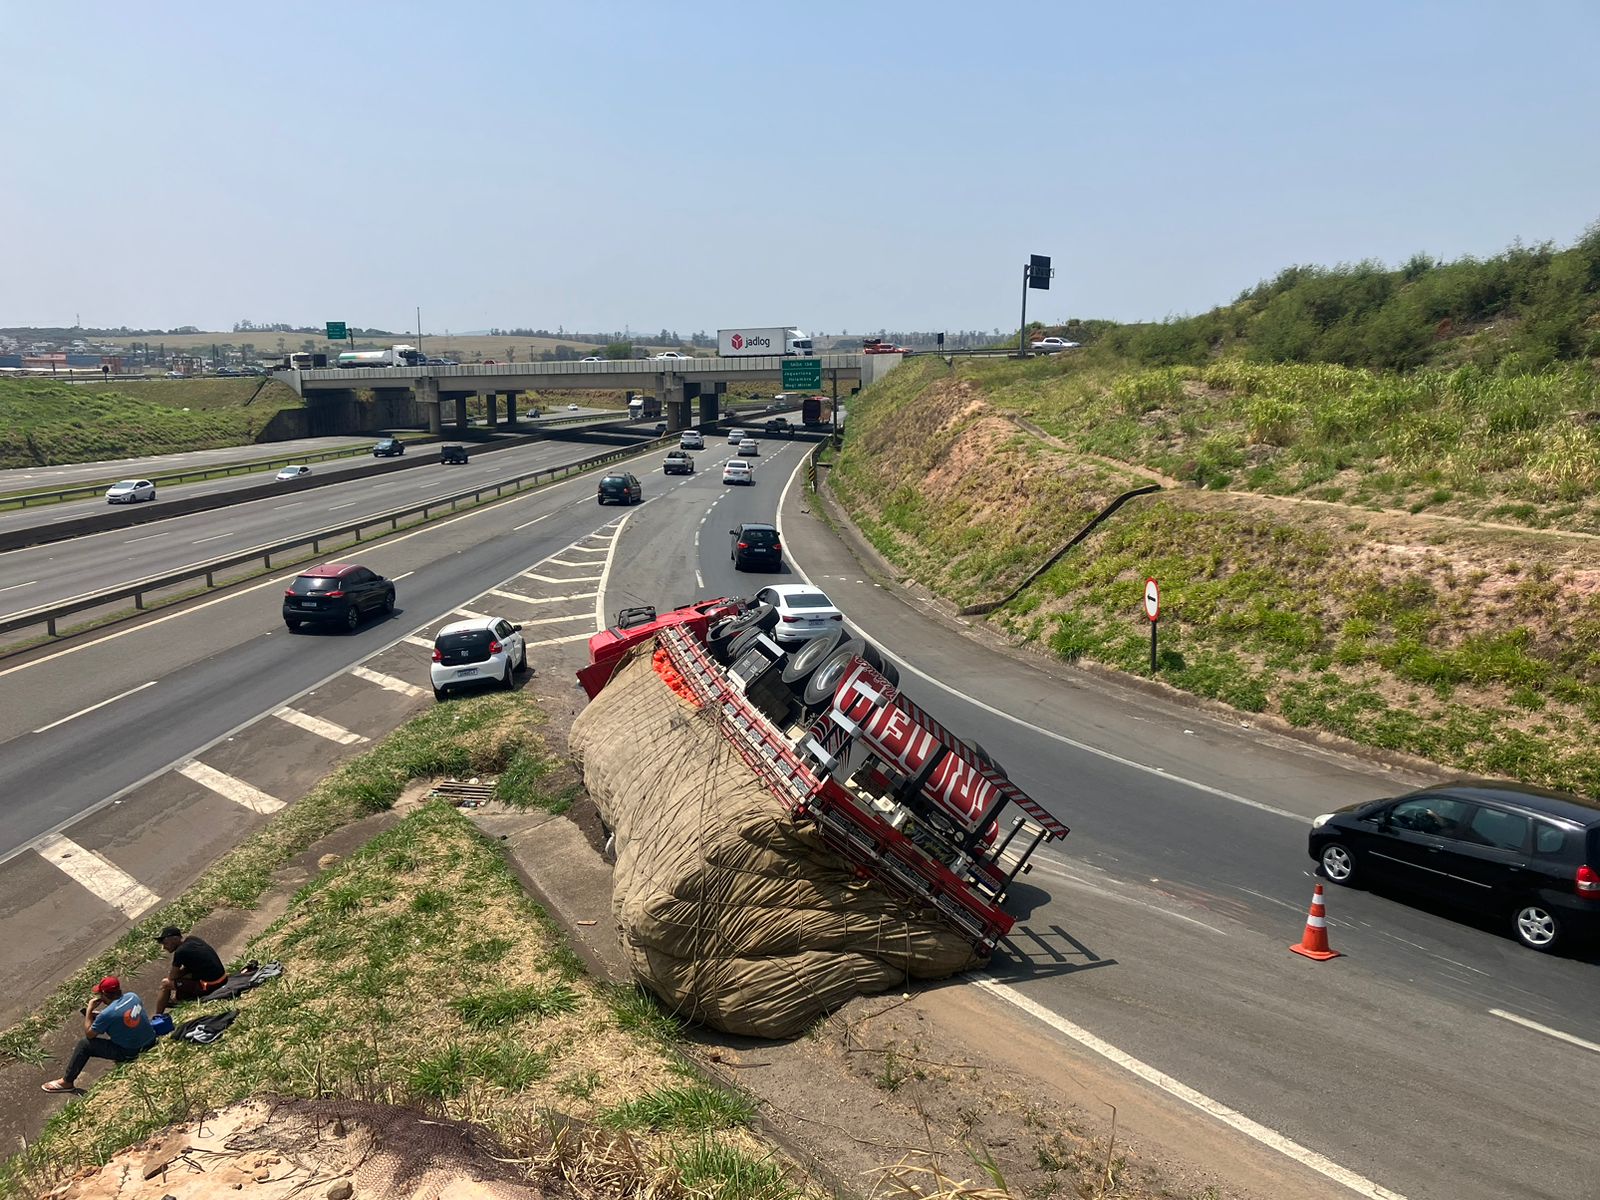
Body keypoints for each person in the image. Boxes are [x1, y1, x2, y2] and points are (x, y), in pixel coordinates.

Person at [41, 976, 157, 1093]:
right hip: (151, 1040)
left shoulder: (107, 1015)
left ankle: (67, 1082)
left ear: (104, 995)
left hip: (132, 1051)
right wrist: (102, 1016)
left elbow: (90, 1034)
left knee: (85, 1045)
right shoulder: (133, 996)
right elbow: (122, 1014)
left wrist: (89, 1011)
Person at [153, 926, 229, 1014]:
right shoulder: (193, 939)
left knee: (165, 983)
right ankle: (177, 999)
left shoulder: (180, 951)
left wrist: (179, 974)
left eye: (165, 943)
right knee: (185, 976)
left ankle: (158, 1015)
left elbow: (172, 977)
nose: (164, 947)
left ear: (175, 939)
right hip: (223, 978)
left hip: (211, 984)